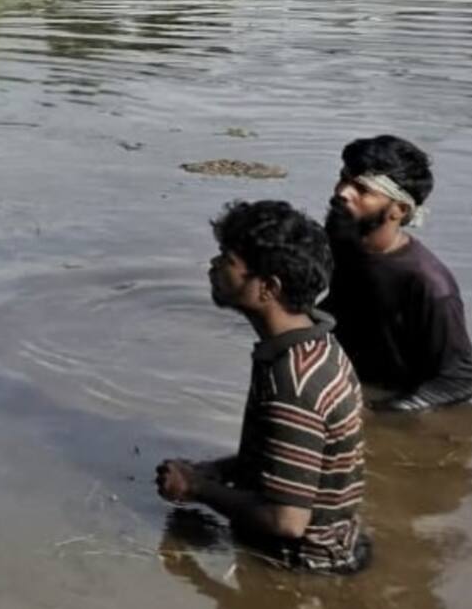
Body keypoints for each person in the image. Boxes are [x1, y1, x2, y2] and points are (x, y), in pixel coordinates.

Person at [155, 200, 369, 576]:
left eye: (228, 259)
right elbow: (284, 455)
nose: (214, 266)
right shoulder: (313, 344)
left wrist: (196, 489)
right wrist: (211, 471)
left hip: (302, 565)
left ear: (268, 287)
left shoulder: (295, 383)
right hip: (333, 544)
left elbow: (285, 521)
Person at [324, 135, 472, 411]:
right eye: (343, 178)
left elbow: (459, 381)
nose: (342, 192)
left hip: (387, 397)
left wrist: (379, 413)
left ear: (400, 210)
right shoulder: (345, 242)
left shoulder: (429, 284)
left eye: (362, 188)